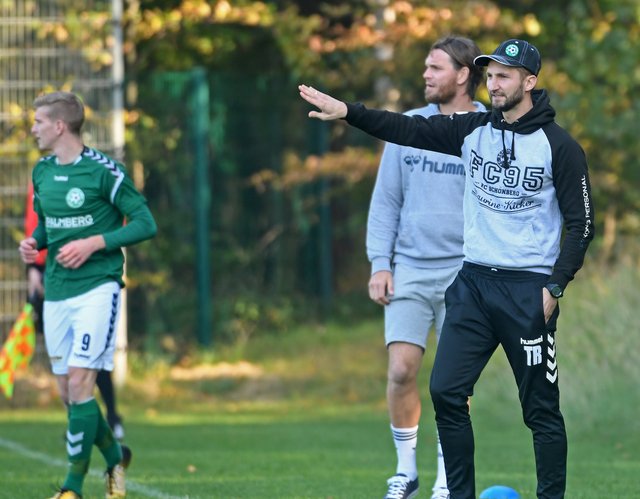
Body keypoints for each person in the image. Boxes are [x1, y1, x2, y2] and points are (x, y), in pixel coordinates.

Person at [299, 38, 595, 499]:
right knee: (446, 392)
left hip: (528, 290)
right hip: (473, 284)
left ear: (529, 82)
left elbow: (582, 224)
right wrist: (349, 112)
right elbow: (406, 129)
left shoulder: (560, 147)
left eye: (504, 76)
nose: (494, 85)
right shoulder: (472, 130)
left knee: (540, 411)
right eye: (490, 76)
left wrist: (555, 285)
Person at [19, 91, 157, 499]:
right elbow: (48, 226)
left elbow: (145, 223)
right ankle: (115, 457)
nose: (33, 128)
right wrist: (35, 243)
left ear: (60, 125)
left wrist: (96, 242)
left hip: (98, 288)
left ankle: (71, 488)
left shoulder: (104, 172)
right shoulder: (42, 172)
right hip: (57, 292)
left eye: (38, 121)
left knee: (81, 382)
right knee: (69, 394)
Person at [366, 36, 484, 499]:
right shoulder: (409, 126)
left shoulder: (486, 129)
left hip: (466, 273)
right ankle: (406, 471)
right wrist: (381, 263)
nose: (426, 75)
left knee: (453, 384)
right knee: (401, 370)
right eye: (426, 67)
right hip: (410, 269)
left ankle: (445, 478)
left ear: (463, 74)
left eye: (436, 68)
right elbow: (386, 202)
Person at [25, 182, 127, 441]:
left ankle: (112, 417)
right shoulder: (42, 175)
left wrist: (96, 244)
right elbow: (37, 224)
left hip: (91, 279)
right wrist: (34, 268)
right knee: (67, 375)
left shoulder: (97, 174)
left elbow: (128, 221)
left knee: (87, 362)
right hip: (55, 280)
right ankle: (87, 428)